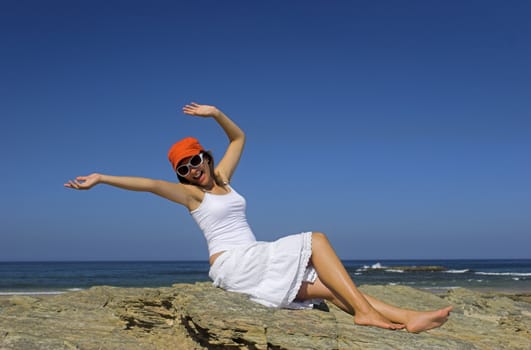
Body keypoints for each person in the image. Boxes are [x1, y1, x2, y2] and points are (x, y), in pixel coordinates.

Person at [65, 102, 452, 333]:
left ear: (206, 157)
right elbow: (148, 184)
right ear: (180, 176)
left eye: (196, 160)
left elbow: (239, 138)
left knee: (332, 288)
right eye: (183, 168)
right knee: (316, 239)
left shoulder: (224, 180)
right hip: (234, 264)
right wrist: (101, 179)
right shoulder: (191, 196)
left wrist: (215, 112)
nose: (192, 169)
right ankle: (366, 314)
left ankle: (408, 319)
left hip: (255, 259)